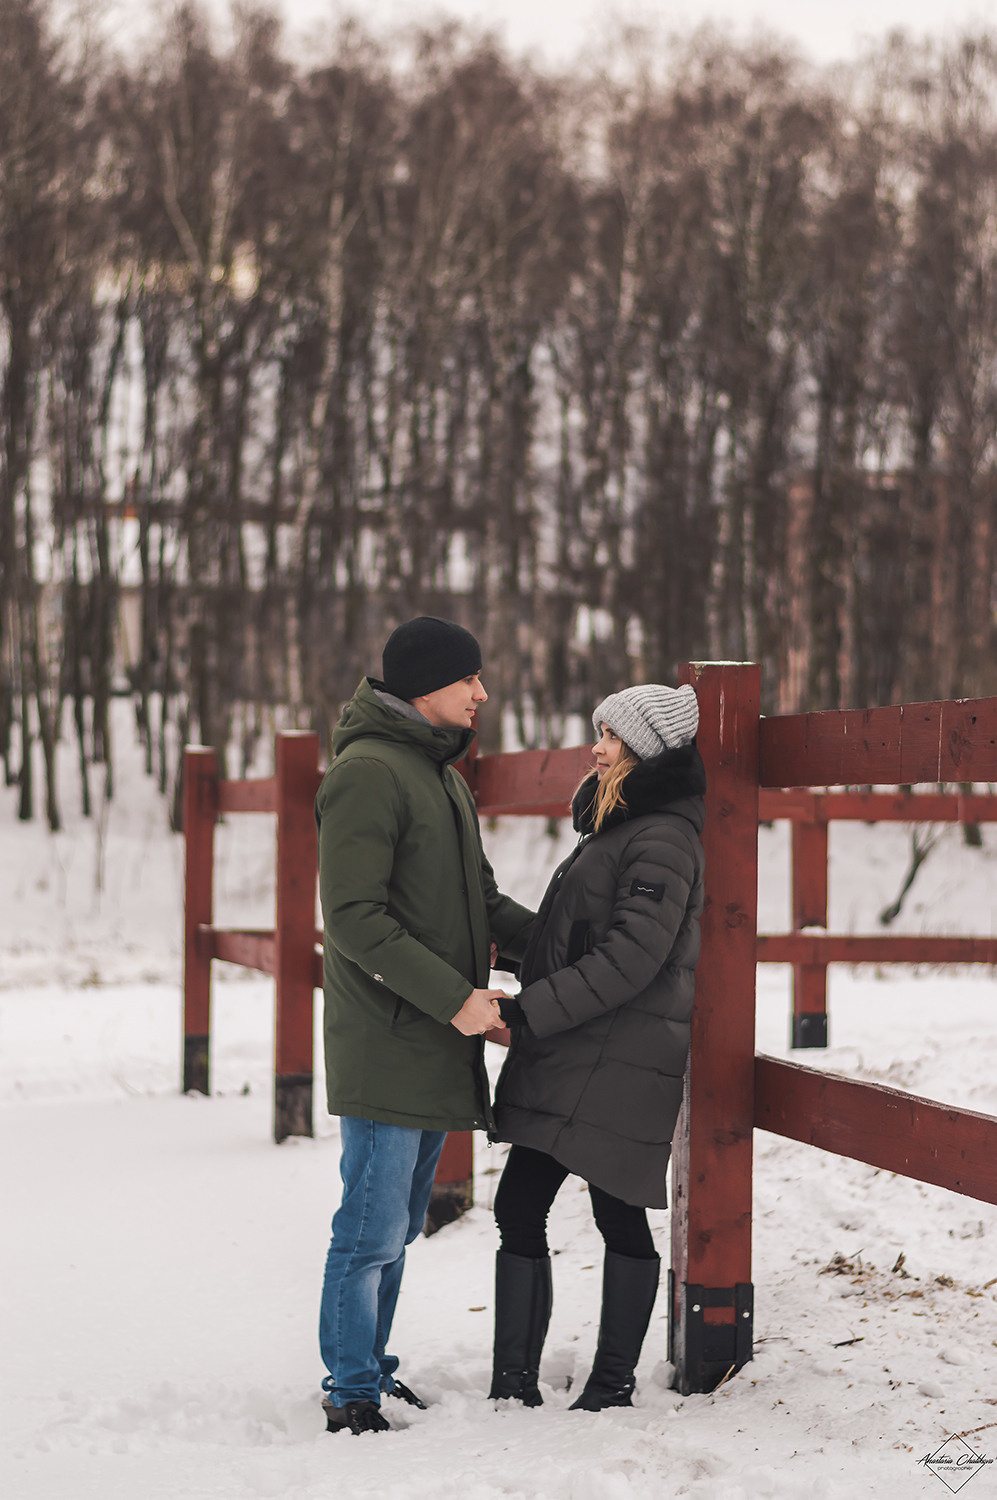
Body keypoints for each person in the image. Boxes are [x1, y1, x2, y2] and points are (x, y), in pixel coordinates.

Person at [315, 616, 535, 1436]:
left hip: (425, 1034)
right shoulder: (368, 773)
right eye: (468, 679)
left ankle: (368, 1371)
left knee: (400, 1224)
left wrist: (558, 942)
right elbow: (353, 919)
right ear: (425, 687)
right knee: (370, 1228)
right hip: (387, 1036)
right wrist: (457, 999)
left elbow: (478, 901)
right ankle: (348, 1389)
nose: (482, 693)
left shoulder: (439, 775)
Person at [488, 682, 706, 1411]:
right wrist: (515, 958)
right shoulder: (619, 828)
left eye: (609, 735)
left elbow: (629, 960)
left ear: (642, 748)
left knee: (615, 1214)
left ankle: (610, 1385)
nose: (596, 746)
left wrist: (527, 1013)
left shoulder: (663, 837)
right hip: (577, 1046)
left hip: (616, 1054)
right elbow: (582, 940)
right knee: (519, 1205)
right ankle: (512, 1383)